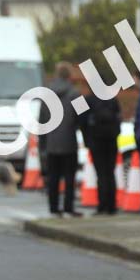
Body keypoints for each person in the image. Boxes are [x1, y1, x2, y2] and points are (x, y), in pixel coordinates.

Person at [39, 62, 83, 217]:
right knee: (69, 176)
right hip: (69, 141)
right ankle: (68, 207)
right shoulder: (76, 94)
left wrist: (42, 146)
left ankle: (53, 207)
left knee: (53, 177)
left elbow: (42, 121)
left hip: (51, 143)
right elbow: (83, 118)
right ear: (69, 76)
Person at [82, 93, 121, 215]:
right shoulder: (113, 99)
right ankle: (112, 206)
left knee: (100, 173)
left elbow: (80, 120)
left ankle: (102, 205)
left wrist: (87, 140)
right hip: (111, 141)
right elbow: (119, 118)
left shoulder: (87, 99)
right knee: (110, 172)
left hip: (96, 141)